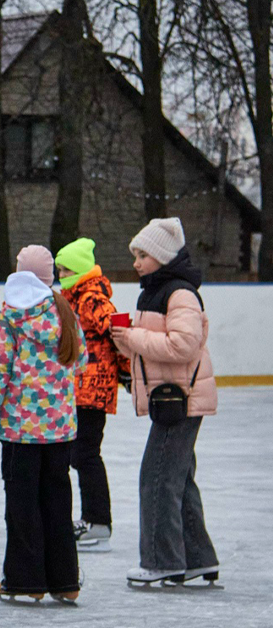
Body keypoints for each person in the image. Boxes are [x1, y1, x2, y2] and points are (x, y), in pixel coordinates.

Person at [0, 246, 87, 603]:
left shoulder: (11, 316)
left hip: (21, 434)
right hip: (60, 432)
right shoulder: (65, 311)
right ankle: (66, 581)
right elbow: (80, 362)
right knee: (57, 504)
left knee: (22, 508)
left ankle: (26, 581)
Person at [111, 218, 220, 586]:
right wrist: (126, 342)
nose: (136, 263)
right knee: (178, 479)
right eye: (135, 255)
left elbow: (183, 346)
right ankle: (196, 558)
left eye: (142, 255)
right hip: (171, 398)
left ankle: (161, 561)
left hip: (182, 400)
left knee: (156, 478)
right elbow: (157, 347)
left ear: (161, 256)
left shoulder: (180, 294)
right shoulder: (156, 292)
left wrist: (136, 337)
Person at [55, 238, 130, 552]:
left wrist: (126, 370)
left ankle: (99, 523)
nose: (60, 275)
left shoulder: (91, 298)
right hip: (80, 389)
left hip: (93, 389)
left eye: (66, 269)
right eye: (58, 269)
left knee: (85, 455)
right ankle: (91, 520)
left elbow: (120, 329)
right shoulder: (75, 297)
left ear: (81, 270)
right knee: (80, 455)